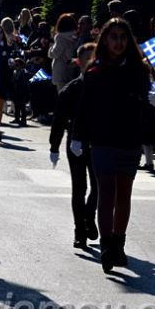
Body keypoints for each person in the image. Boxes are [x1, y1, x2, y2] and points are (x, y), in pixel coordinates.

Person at [71, 18, 150, 273]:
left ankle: (118, 243)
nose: (118, 42)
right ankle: (106, 245)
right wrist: (77, 137)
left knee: (124, 192)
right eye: (113, 36)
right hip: (102, 140)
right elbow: (83, 109)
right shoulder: (95, 72)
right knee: (106, 190)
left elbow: (141, 104)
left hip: (129, 140)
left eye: (123, 37)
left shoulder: (139, 71)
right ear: (105, 39)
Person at [49, 42, 99, 249]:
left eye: (93, 57)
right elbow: (59, 120)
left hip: (98, 142)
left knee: (98, 186)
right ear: (78, 62)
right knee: (79, 187)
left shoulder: (103, 86)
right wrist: (54, 146)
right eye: (86, 58)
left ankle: (89, 215)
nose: (90, 61)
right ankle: (80, 231)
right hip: (76, 143)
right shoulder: (71, 90)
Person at [48, 13, 78, 92]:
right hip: (71, 67)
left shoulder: (60, 38)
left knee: (62, 95)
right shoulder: (75, 36)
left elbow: (55, 53)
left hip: (60, 69)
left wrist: (50, 47)